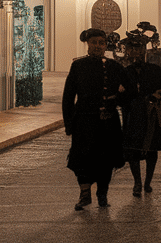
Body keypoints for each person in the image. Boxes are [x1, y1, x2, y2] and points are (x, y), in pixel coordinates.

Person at [62, 28, 133, 210]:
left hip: (108, 122)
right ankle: (85, 195)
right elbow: (68, 97)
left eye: (101, 43)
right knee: (82, 160)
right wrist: (69, 124)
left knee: (106, 161)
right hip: (84, 122)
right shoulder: (78, 66)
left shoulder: (115, 67)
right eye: (94, 43)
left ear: (105, 45)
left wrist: (117, 99)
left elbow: (131, 91)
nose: (97, 46)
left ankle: (102, 194)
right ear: (88, 44)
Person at [120, 27, 161, 197]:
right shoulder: (125, 72)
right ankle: (137, 182)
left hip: (152, 116)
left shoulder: (155, 70)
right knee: (133, 152)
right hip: (133, 117)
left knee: (151, 151)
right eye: (133, 48)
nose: (137, 52)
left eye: (140, 48)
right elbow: (121, 96)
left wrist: (157, 97)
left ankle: (148, 182)